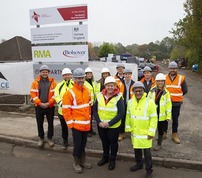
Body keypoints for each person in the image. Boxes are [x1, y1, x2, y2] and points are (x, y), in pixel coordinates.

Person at [62, 68, 92, 173]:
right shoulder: (69, 93)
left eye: (82, 78)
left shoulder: (86, 90)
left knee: (83, 144)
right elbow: (66, 111)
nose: (80, 80)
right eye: (78, 78)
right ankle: (76, 163)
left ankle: (82, 161)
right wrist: (71, 125)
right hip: (76, 126)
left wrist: (89, 122)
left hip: (85, 125)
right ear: (74, 79)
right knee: (77, 145)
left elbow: (88, 107)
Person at [125, 81, 157, 178]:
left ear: (144, 91)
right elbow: (128, 116)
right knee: (137, 150)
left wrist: (151, 132)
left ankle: (149, 170)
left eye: (140, 91)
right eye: (136, 91)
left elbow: (154, 118)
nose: (138, 93)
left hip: (145, 133)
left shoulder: (150, 102)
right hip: (135, 132)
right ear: (133, 92)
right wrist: (128, 129)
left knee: (147, 153)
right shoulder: (130, 102)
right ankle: (139, 164)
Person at [93, 76, 124, 171]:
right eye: (108, 85)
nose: (110, 87)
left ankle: (112, 160)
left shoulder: (119, 97)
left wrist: (109, 123)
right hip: (101, 125)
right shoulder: (99, 95)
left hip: (113, 126)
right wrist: (98, 122)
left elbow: (121, 113)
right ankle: (105, 157)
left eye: (112, 85)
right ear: (105, 86)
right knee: (104, 141)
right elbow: (94, 110)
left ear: (115, 86)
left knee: (113, 143)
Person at [30, 65, 56, 148]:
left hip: (50, 106)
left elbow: (55, 94)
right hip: (39, 106)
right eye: (43, 72)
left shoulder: (53, 82)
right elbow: (33, 94)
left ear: (48, 72)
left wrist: (49, 103)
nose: (45, 73)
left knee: (50, 123)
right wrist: (39, 103)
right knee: (39, 123)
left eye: (46, 72)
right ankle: (41, 138)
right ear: (40, 72)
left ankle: (49, 138)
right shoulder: (35, 82)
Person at [164, 61, 188, 144]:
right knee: (165, 118)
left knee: (175, 119)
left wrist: (177, 96)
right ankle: (164, 133)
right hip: (166, 103)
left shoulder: (181, 78)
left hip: (176, 103)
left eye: (174, 68)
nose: (172, 70)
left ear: (176, 69)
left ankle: (174, 134)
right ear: (169, 69)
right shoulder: (164, 77)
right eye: (171, 68)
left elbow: (185, 90)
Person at [147, 73, 172, 151]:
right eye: (159, 81)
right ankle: (148, 142)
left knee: (160, 130)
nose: (160, 83)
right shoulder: (151, 90)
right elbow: (147, 102)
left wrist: (168, 116)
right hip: (152, 114)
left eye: (162, 81)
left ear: (164, 82)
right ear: (156, 82)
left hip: (161, 115)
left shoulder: (166, 93)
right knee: (150, 128)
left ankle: (159, 144)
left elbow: (168, 105)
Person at [54, 68, 73, 149]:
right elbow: (56, 95)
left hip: (73, 111)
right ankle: (65, 141)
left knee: (74, 128)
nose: (67, 76)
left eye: (68, 74)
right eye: (65, 75)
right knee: (64, 128)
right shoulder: (59, 85)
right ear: (62, 76)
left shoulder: (74, 84)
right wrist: (61, 103)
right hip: (62, 112)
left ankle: (76, 141)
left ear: (71, 75)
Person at [118, 68, 135, 141]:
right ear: (123, 75)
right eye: (126, 74)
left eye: (129, 74)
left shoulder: (134, 84)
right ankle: (121, 133)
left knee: (132, 118)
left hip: (132, 104)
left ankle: (132, 134)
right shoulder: (120, 83)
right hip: (122, 103)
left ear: (131, 75)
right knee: (122, 118)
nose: (127, 75)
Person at [84, 67, 98, 137]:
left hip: (93, 103)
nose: (89, 75)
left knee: (91, 118)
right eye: (88, 74)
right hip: (87, 104)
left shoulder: (94, 82)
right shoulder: (84, 83)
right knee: (87, 118)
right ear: (85, 75)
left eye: (90, 74)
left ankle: (91, 129)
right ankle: (87, 131)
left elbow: (96, 92)